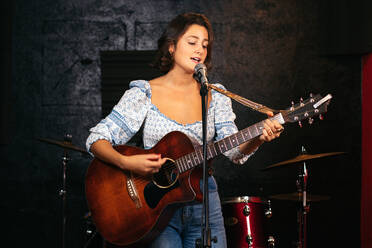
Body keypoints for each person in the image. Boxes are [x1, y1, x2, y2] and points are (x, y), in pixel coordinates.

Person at [86, 12, 283, 248]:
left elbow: (235, 152)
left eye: (205, 45)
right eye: (192, 42)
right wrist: (127, 163)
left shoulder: (215, 96)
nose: (199, 49)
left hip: (204, 199)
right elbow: (96, 140)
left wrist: (259, 138)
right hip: (155, 206)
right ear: (171, 47)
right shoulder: (144, 93)